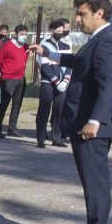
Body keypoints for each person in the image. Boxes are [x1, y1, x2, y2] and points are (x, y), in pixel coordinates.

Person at [33, 0, 112, 224]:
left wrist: (95, 120)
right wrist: (52, 55)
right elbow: (83, 62)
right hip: (84, 123)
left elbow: (109, 85)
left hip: (92, 126)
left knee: (96, 184)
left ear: (99, 13)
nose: (77, 19)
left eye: (82, 14)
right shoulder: (97, 40)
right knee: (89, 183)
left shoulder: (107, 41)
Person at [35, 19, 71, 148]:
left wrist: (66, 80)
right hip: (48, 82)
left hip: (62, 83)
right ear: (52, 31)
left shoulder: (65, 47)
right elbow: (45, 66)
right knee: (44, 110)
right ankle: (40, 138)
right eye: (58, 31)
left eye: (63, 31)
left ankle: (56, 138)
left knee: (59, 112)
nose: (61, 33)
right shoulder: (45, 46)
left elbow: (69, 66)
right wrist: (56, 81)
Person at [0, 24, 31, 138]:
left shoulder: (26, 46)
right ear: (16, 34)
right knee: (4, 104)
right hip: (8, 79)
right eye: (21, 34)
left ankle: (12, 128)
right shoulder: (7, 45)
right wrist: (4, 73)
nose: (23, 36)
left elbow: (24, 59)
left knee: (17, 104)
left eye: (25, 34)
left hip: (20, 78)